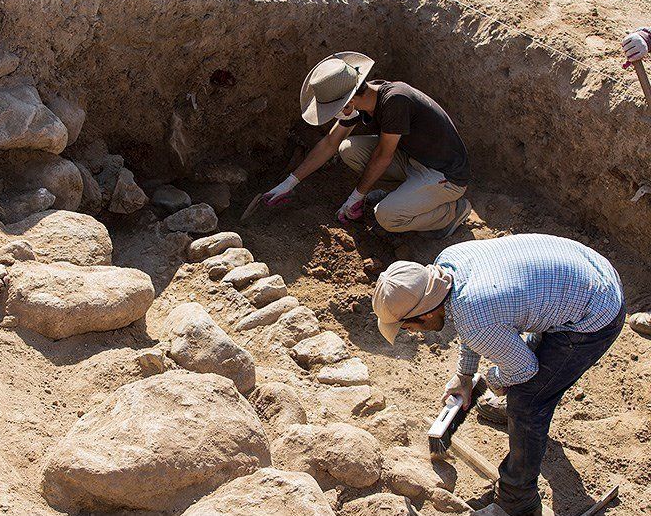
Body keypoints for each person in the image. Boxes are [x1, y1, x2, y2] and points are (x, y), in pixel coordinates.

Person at [370, 234, 625, 516]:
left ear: (426, 315)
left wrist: (494, 382)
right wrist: (464, 376)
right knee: (522, 372)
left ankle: (518, 502)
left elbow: (523, 368)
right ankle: (517, 413)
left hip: (596, 312)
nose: (411, 333)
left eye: (407, 327)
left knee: (527, 400)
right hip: (580, 274)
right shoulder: (449, 262)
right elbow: (472, 319)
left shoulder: (476, 319)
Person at [263, 52, 472, 239]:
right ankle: (404, 195)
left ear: (348, 103)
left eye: (334, 108)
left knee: (387, 217)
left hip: (445, 176)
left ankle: (452, 212)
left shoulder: (395, 101)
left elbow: (383, 156)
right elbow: (330, 143)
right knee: (348, 149)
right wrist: (289, 183)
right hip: (414, 160)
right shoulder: (367, 99)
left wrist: (355, 197)